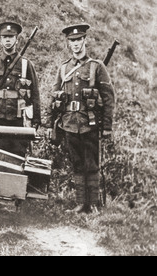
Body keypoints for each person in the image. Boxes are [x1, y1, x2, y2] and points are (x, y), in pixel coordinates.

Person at [44, 23, 115, 213]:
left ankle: (93, 205)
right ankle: (80, 203)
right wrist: (50, 123)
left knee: (92, 165)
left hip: (89, 123)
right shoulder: (63, 69)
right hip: (69, 124)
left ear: (85, 40)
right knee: (76, 164)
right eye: (72, 41)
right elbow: (54, 96)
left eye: (78, 40)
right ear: (68, 43)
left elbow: (109, 97)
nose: (76, 44)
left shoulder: (96, 67)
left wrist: (107, 126)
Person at [0, 21, 41, 157]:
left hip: (19, 117)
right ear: (0, 40)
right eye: (4, 37)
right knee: (2, 154)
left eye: (11, 37)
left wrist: (36, 120)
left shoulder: (26, 64)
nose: (7, 40)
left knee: (19, 155)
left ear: (16, 40)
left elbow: (35, 93)